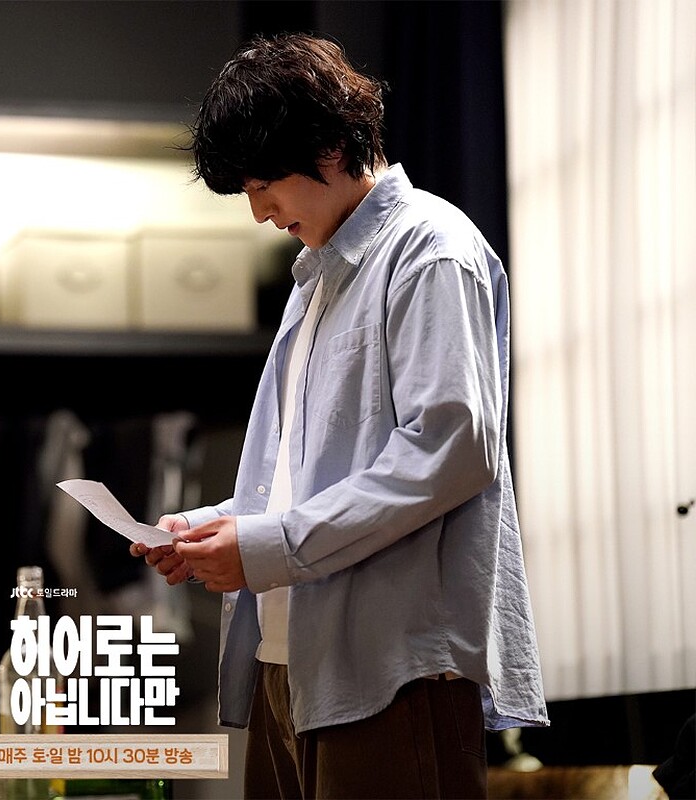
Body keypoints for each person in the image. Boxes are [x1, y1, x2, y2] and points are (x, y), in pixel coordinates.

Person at [130, 32, 549, 799]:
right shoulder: (316, 278)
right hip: (291, 667)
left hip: (392, 673)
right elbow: (307, 477)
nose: (259, 213)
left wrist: (267, 545)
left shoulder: (431, 249)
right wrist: (215, 527)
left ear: (329, 147)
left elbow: (448, 452)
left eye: (264, 184)